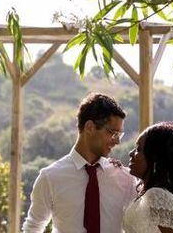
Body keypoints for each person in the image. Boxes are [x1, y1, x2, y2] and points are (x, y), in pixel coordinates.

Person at [22, 92, 137, 233]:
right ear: (90, 127)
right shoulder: (50, 177)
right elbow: (33, 227)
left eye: (119, 135)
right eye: (112, 133)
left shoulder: (126, 179)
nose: (117, 141)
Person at [123, 122, 173, 233]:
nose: (131, 153)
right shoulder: (149, 194)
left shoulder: (157, 195)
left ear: (155, 158)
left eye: (139, 149)